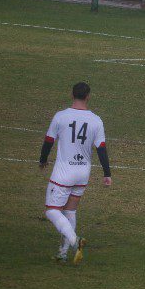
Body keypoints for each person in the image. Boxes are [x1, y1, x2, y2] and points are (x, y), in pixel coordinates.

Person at [39, 82, 112, 264]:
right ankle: (62, 254)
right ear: (88, 96)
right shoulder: (96, 120)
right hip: (82, 174)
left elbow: (49, 141)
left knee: (52, 211)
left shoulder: (61, 117)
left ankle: (74, 241)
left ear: (72, 95)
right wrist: (107, 173)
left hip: (64, 174)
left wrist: (43, 160)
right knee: (70, 211)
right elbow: (101, 149)